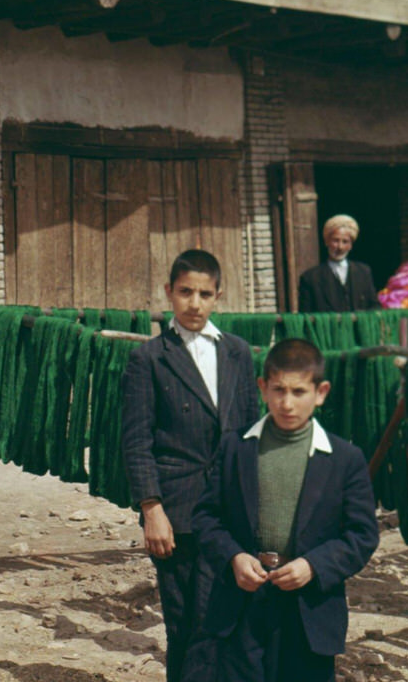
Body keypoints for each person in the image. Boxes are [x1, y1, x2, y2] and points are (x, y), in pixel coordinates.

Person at [189, 337, 380, 682]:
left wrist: (314, 565)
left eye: (298, 392)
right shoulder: (236, 447)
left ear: (320, 392)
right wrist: (234, 557)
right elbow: (206, 516)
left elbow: (362, 535)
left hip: (309, 610)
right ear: (262, 388)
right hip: (242, 602)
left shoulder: (344, 460)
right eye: (278, 390)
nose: (287, 403)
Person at [122, 250, 258, 682]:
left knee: (229, 620)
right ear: (168, 294)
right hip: (178, 514)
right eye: (185, 292)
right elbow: (136, 440)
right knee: (188, 626)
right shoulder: (150, 358)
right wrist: (151, 508)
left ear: (219, 295)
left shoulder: (237, 353)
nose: (194, 303)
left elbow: (254, 434)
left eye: (204, 293)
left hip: (232, 511)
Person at [297, 215, 379, 313]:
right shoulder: (311, 278)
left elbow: (374, 306)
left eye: (345, 242)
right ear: (326, 241)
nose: (340, 247)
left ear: (351, 245)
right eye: (335, 241)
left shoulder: (363, 272)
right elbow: (306, 316)